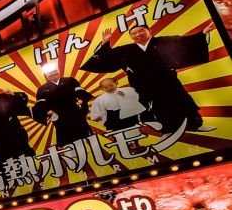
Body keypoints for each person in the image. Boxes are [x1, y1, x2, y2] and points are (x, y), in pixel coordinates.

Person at [81, 22, 216, 134]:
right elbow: (107, 57)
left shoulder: (163, 41)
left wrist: (204, 32)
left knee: (182, 101)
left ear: (149, 30)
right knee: (158, 107)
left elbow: (184, 43)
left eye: (141, 30)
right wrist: (105, 43)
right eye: (133, 33)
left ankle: (196, 125)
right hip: (144, 85)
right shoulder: (126, 50)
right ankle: (168, 130)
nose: (137, 34)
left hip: (168, 81)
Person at [32, 66, 94, 146]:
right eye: (50, 73)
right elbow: (40, 105)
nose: (53, 73)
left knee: (87, 136)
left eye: (55, 71)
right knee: (68, 142)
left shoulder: (70, 80)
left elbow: (80, 91)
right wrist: (48, 111)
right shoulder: (42, 89)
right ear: (45, 75)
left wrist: (81, 99)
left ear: (59, 71)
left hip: (75, 112)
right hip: (59, 117)